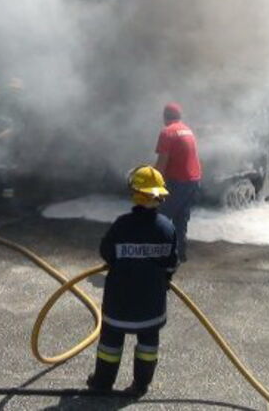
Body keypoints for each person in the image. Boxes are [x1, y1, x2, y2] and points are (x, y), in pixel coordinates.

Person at [86, 165, 178, 397]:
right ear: (160, 196)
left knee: (110, 344)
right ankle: (140, 385)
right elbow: (171, 263)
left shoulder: (121, 225)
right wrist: (165, 278)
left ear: (135, 193)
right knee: (148, 344)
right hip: (151, 304)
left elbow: (106, 252)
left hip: (119, 302)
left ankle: (102, 383)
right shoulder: (167, 228)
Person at [154, 102, 202, 262]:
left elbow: (161, 164)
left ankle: (159, 256)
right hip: (194, 181)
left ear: (164, 117)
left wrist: (151, 183)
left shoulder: (167, 132)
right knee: (181, 219)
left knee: (160, 217)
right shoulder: (187, 130)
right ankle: (180, 253)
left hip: (178, 182)